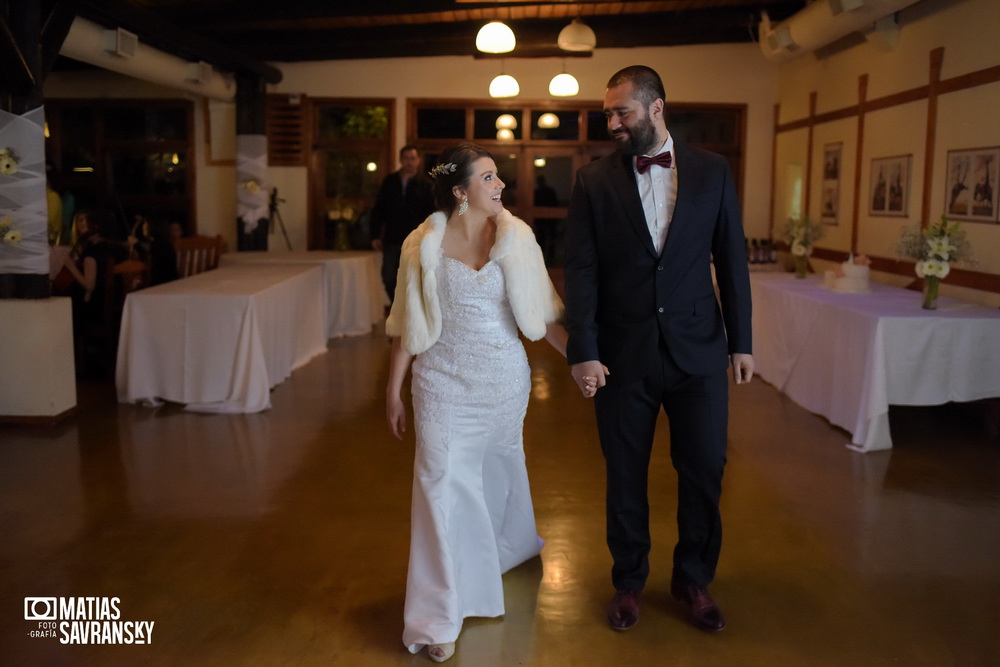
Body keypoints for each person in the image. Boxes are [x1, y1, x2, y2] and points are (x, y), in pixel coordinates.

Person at [563, 66, 754, 634]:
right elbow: (582, 270)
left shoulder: (713, 172)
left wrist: (742, 342)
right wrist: (584, 349)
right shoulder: (592, 181)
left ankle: (693, 579)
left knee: (704, 469)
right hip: (622, 355)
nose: (613, 123)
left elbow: (731, 261)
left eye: (622, 112)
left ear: (656, 108)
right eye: (608, 114)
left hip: (699, 352)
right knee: (625, 472)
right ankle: (628, 581)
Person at [384, 142, 575, 663]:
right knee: (439, 486)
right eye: (489, 178)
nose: (500, 186)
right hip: (440, 383)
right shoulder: (419, 244)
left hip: (502, 383)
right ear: (459, 191)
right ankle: (436, 616)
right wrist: (392, 387)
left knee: (491, 476)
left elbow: (542, 315)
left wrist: (579, 361)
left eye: (497, 178)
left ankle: (495, 552)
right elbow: (407, 320)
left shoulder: (517, 237)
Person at [370, 145, 436, 304]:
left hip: (416, 240)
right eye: (406, 158)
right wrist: (375, 235)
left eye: (413, 158)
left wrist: (430, 235)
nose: (409, 162)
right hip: (392, 238)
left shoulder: (426, 184)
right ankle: (397, 305)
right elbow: (379, 209)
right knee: (389, 276)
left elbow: (433, 212)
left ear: (418, 160)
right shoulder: (390, 181)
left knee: (414, 276)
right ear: (400, 160)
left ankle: (412, 308)